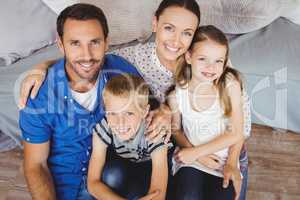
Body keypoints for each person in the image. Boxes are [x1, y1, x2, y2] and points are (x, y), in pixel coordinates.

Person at [18, 0, 251, 199]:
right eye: (169, 28)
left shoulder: (212, 64)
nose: (176, 40)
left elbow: (241, 127)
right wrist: (42, 67)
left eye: (187, 33)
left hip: (218, 154)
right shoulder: (131, 60)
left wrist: (229, 160)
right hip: (169, 153)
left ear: (194, 35)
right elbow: (85, 60)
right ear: (155, 24)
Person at [19, 4, 141, 200]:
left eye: (94, 42)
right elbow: (35, 165)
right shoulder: (39, 94)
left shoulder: (121, 71)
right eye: (75, 43)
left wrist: (161, 113)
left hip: (113, 181)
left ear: (106, 42)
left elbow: (148, 110)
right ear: (61, 45)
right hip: (64, 189)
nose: (87, 55)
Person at [168, 25, 247, 200]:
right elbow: (176, 130)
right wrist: (197, 155)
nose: (211, 67)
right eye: (203, 59)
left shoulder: (229, 84)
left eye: (218, 61)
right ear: (189, 57)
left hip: (223, 162)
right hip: (192, 160)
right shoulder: (178, 94)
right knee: (187, 195)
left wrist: (231, 163)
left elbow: (236, 132)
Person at [88, 74, 172, 200]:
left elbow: (158, 193)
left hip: (154, 171)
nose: (120, 122)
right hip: (127, 168)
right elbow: (92, 183)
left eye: (129, 113)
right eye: (113, 113)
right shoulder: (104, 128)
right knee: (112, 174)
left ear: (144, 111)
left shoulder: (154, 129)